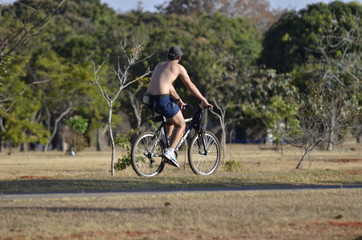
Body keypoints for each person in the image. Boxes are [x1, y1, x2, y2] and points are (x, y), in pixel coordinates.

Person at [147, 46, 212, 168]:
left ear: (168, 55)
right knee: (182, 124)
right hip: (162, 99)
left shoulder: (160, 65)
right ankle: (170, 151)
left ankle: (165, 143)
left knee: (171, 119)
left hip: (150, 100)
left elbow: (168, 84)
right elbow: (190, 86)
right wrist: (203, 100)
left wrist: (178, 100)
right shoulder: (178, 67)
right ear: (180, 57)